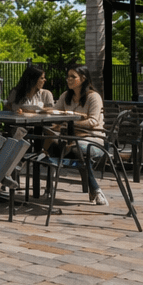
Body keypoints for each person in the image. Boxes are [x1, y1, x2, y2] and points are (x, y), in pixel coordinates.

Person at [57, 64, 110, 207]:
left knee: (77, 150)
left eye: (73, 77)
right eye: (68, 76)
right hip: (72, 140)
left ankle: (95, 189)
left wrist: (71, 122)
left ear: (83, 78)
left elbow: (93, 121)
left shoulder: (93, 97)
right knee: (54, 147)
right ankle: (95, 190)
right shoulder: (65, 97)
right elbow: (55, 115)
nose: (68, 79)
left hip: (94, 140)